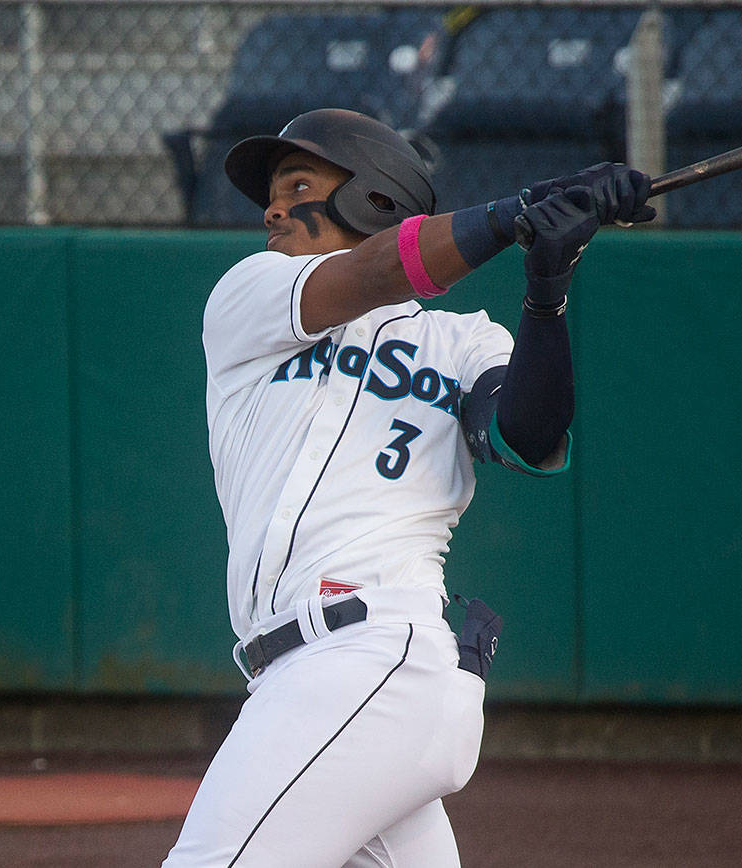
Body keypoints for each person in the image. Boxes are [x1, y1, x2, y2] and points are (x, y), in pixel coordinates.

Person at [162, 108, 654, 867]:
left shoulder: (464, 342)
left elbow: (528, 440)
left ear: (376, 201)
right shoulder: (251, 295)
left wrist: (546, 293)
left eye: (299, 185)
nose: (272, 207)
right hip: (310, 680)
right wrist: (513, 213)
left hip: (373, 656)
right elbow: (376, 272)